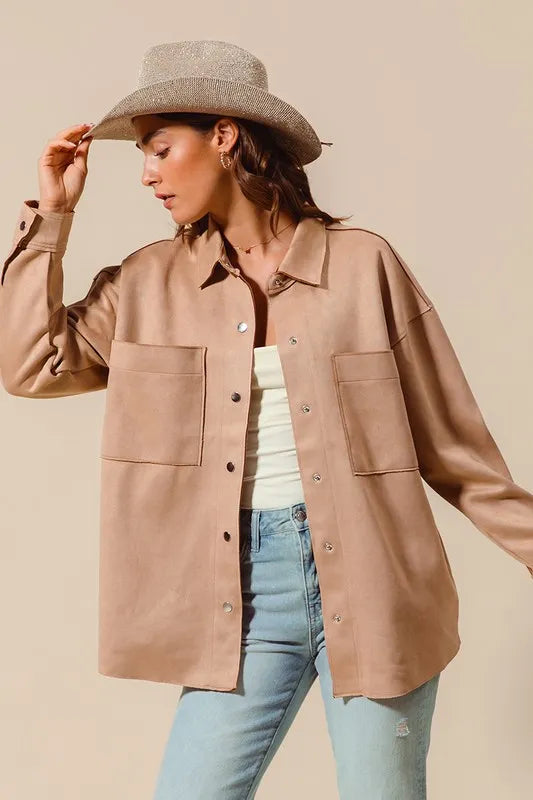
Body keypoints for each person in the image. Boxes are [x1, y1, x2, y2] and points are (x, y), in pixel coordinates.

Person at [1, 40, 532, 800]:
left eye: (159, 149)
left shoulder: (362, 267)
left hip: (377, 585)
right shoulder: (147, 285)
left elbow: (453, 446)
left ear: (223, 136)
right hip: (238, 598)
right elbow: (29, 364)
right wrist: (54, 217)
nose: (146, 174)